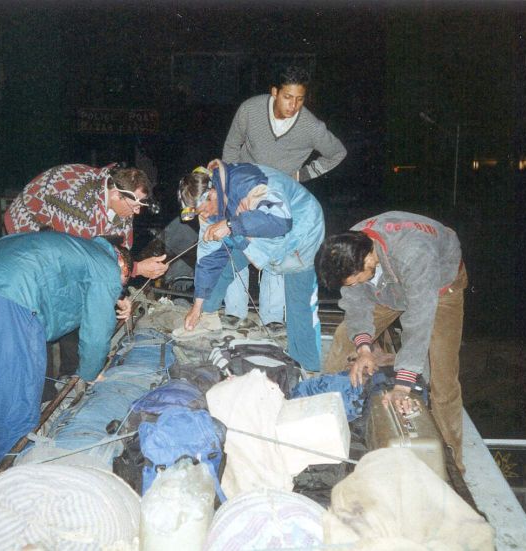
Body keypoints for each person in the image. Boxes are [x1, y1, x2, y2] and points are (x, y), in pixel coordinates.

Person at [0, 232, 132, 463]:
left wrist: (114, 297)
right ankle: (15, 464)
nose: (118, 289)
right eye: (122, 283)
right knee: (21, 385)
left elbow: (68, 302)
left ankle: (9, 455)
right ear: (121, 264)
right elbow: (97, 332)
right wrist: (90, 374)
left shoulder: (85, 251)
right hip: (15, 291)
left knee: (5, 376)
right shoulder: (107, 265)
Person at [316, 211, 468, 471]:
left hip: (439, 289)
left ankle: (453, 464)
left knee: (443, 378)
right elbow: (356, 304)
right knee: (344, 339)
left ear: (368, 259)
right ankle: (326, 422)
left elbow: (419, 319)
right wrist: (364, 348)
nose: (351, 285)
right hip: (387, 288)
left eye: (354, 280)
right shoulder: (351, 247)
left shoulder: (414, 253)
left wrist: (403, 384)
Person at [218, 65, 347, 329]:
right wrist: (230, 185)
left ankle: (273, 317)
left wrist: (301, 175)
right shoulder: (250, 110)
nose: (293, 105)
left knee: (277, 247)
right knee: (236, 241)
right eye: (288, 97)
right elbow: (231, 146)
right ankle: (234, 312)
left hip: (279, 194)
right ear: (275, 92)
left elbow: (337, 153)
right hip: (245, 188)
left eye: (300, 99)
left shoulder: (311, 127)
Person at [177, 161, 325, 372]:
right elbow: (208, 259)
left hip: (301, 232)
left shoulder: (247, 181)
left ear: (212, 193)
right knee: (221, 263)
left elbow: (281, 220)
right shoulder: (208, 209)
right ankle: (205, 316)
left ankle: (308, 367)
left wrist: (230, 225)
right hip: (257, 231)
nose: (204, 216)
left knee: (300, 303)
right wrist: (196, 307)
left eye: (204, 211)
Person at [4, 163, 168, 279]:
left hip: (71, 227)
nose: (137, 212)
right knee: (52, 277)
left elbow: (120, 250)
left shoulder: (122, 196)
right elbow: (84, 261)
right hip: (27, 223)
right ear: (115, 194)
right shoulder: (78, 206)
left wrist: (129, 272)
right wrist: (137, 269)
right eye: (134, 206)